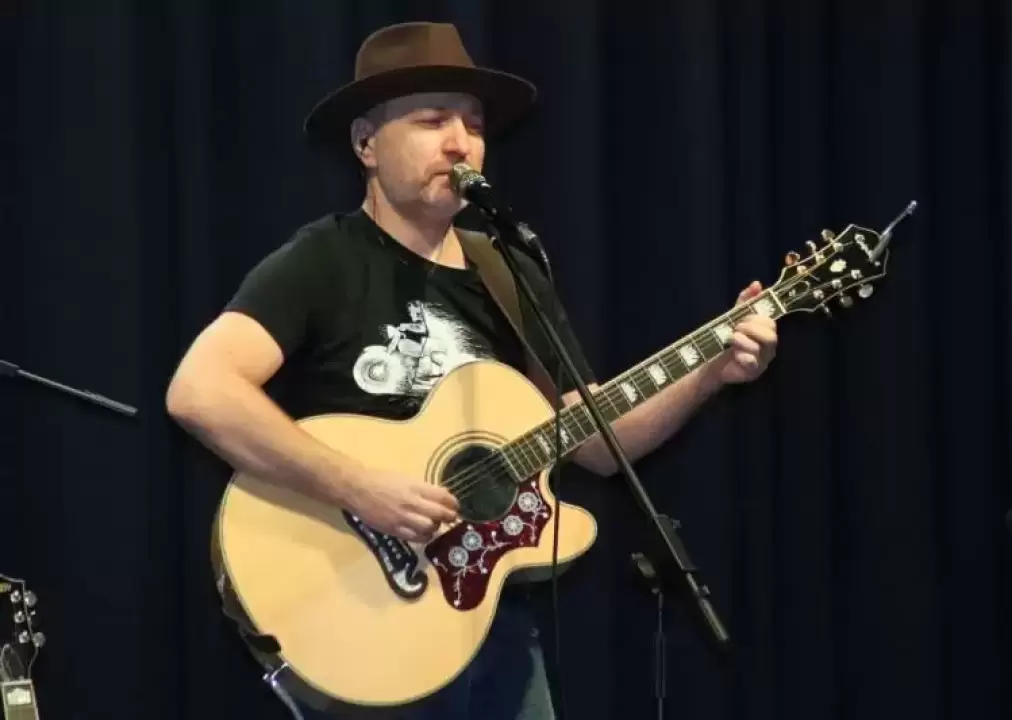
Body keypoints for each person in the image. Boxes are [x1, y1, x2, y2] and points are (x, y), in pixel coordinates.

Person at [165, 20, 778, 720]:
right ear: (366, 144)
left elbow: (596, 442)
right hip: (363, 613)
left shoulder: (508, 271)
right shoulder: (322, 261)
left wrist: (709, 371)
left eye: (475, 125)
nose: (461, 143)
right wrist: (360, 487)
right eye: (433, 121)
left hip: (492, 622)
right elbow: (200, 391)